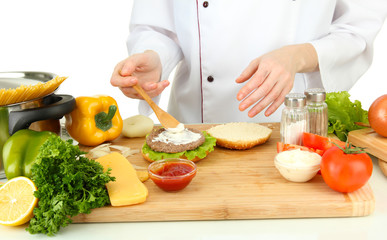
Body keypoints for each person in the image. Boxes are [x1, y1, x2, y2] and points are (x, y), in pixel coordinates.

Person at [111, 0, 386, 123]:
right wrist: (155, 58)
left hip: (291, 124)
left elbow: (356, 31)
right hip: (194, 124)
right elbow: (158, 27)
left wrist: (297, 56)